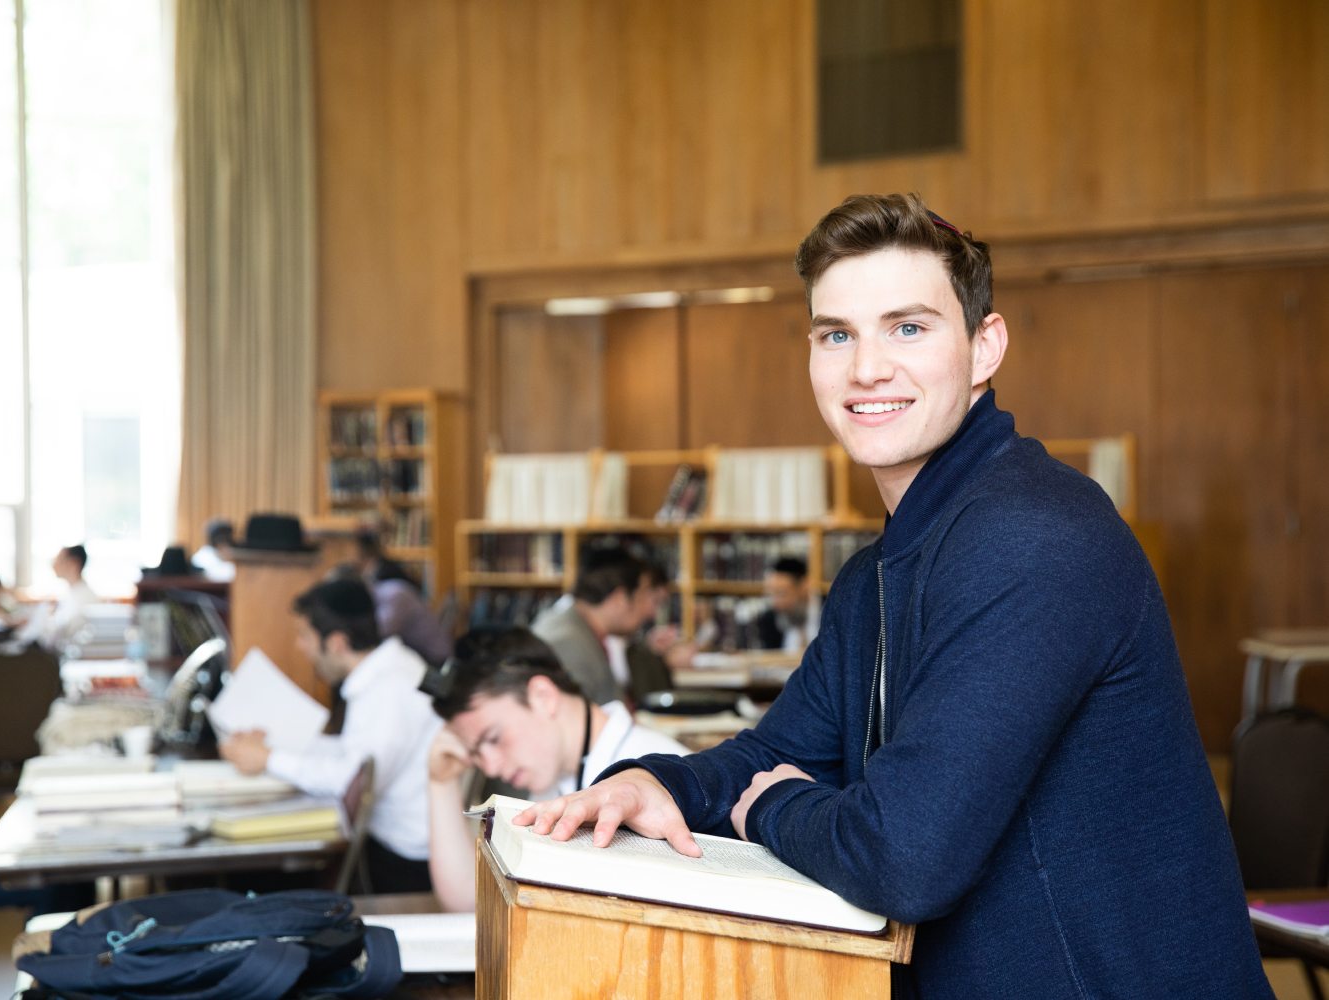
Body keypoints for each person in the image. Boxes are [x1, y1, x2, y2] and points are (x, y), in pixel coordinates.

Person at [519, 194, 1270, 998]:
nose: (866, 367)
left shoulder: (1036, 536)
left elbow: (904, 856)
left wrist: (773, 810)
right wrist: (657, 783)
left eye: (907, 327)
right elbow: (778, 754)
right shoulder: (877, 569)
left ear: (986, 346)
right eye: (835, 334)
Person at [421, 627, 687, 912]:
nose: (490, 766)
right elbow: (471, 902)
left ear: (543, 696)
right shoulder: (552, 779)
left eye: (494, 738)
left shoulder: (665, 779)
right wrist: (441, 782)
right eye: (475, 753)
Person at [218, 579, 442, 893]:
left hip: (398, 866)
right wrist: (271, 747)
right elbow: (354, 752)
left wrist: (269, 759)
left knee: (248, 877)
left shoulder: (391, 688)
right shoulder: (384, 674)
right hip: (385, 847)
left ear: (336, 643)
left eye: (305, 636)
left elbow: (351, 779)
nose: (300, 646)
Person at [530, 549, 669, 704]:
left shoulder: (580, 629)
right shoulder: (568, 643)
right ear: (620, 599)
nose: (650, 613)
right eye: (642, 597)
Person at [355, 534, 452, 665]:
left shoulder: (391, 589)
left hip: (432, 661)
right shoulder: (387, 575)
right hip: (419, 654)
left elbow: (381, 632)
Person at [756, 556, 820, 652]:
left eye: (781, 594)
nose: (775, 603)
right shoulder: (769, 620)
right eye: (771, 595)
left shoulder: (833, 613)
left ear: (805, 586)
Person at [44, 545, 97, 650]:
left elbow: (65, 630)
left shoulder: (87, 598)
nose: (53, 566)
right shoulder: (69, 594)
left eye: (58, 560)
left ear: (73, 563)